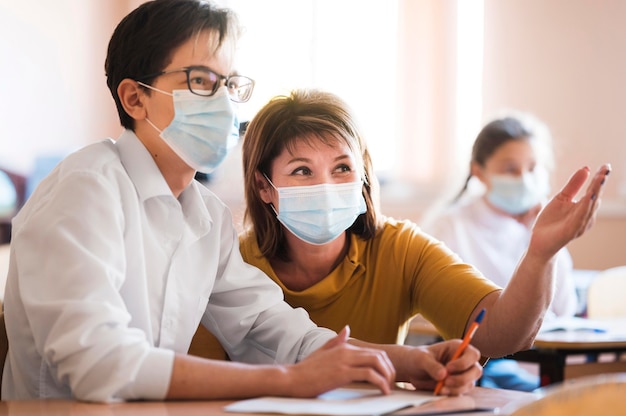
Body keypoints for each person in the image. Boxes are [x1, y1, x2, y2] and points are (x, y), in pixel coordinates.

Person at [1, 0, 482, 403]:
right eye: (201, 82)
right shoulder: (85, 187)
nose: (226, 104)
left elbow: (270, 329)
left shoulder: (204, 215)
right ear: (134, 99)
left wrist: (405, 361)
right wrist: (289, 381)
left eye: (229, 85)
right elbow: (97, 365)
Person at [238, 88, 610, 385]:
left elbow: (501, 334)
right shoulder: (231, 262)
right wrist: (409, 363)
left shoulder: (399, 248)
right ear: (263, 186)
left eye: (342, 168)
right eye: (302, 171)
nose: (326, 186)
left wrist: (540, 255)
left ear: (364, 175)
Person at [423, 113, 578, 391]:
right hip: (477, 365)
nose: (524, 178)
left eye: (532, 168)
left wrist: (550, 242)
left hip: (535, 362)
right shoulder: (451, 226)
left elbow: (565, 310)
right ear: (479, 171)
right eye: (510, 169)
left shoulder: (540, 222)